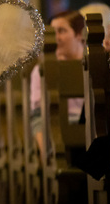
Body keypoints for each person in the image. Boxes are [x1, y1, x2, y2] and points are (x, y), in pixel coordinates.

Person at [30, 10, 85, 154]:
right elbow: (37, 117)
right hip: (58, 133)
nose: (56, 38)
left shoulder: (93, 65)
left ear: (79, 34)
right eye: (52, 32)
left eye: (62, 31)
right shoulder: (41, 70)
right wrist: (48, 156)